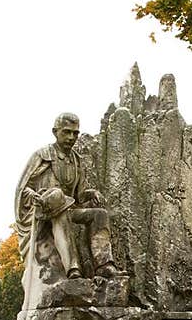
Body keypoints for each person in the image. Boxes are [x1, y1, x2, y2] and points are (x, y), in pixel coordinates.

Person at [15, 112, 117, 291]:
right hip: (44, 211)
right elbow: (22, 188)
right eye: (67, 132)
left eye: (75, 133)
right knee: (61, 212)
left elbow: (78, 195)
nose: (71, 137)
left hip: (68, 207)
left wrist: (90, 193)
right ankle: (73, 268)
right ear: (55, 132)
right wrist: (33, 196)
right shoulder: (42, 155)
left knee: (99, 214)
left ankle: (104, 264)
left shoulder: (76, 159)